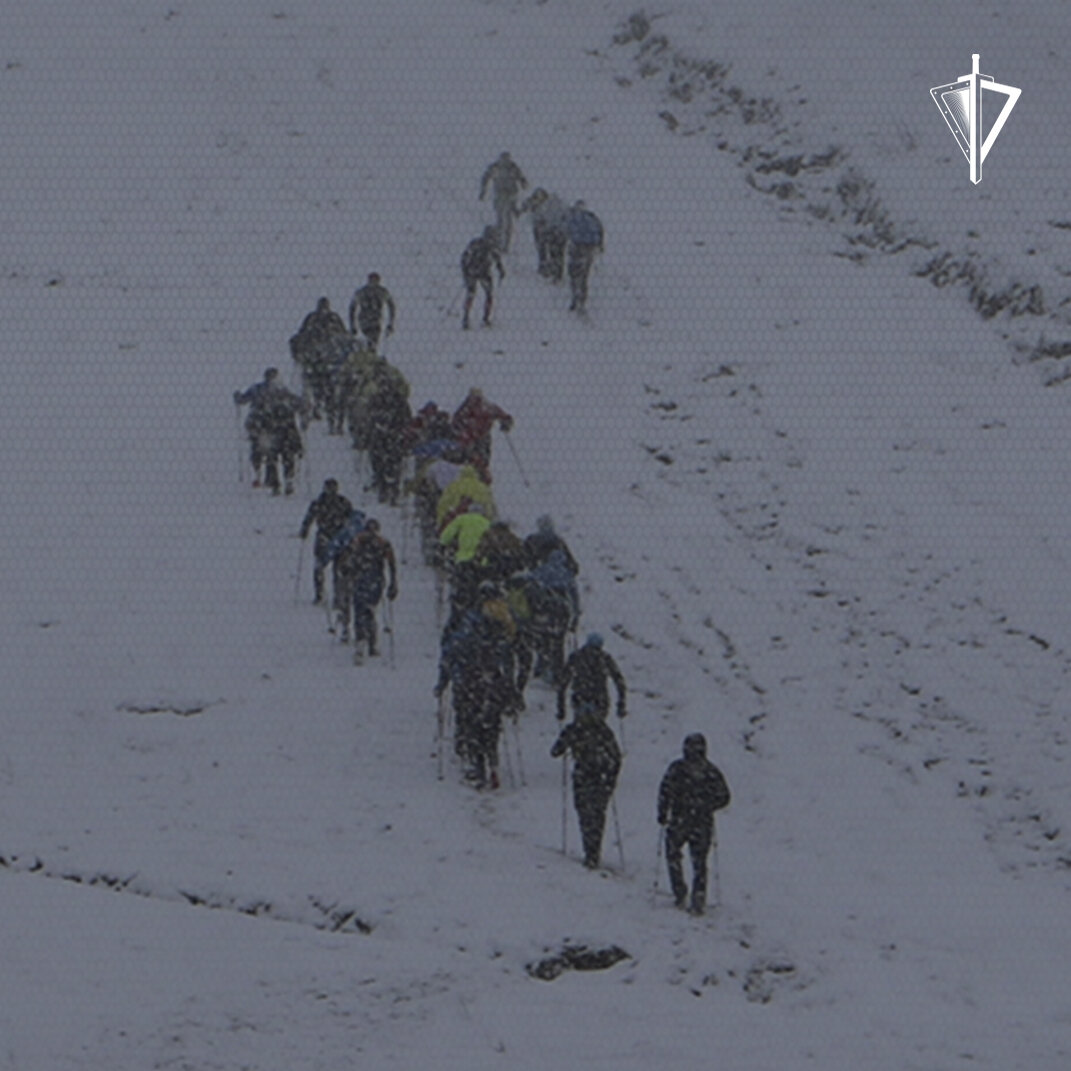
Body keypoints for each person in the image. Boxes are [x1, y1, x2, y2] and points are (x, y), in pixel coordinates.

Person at [657, 734, 731, 915]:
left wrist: (663, 812)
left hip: (681, 819)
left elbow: (664, 791)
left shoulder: (677, 768)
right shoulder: (710, 771)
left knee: (674, 855)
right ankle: (697, 897)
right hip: (700, 821)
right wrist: (707, 805)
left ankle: (681, 891)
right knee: (698, 862)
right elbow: (724, 797)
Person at [551, 713, 622, 869]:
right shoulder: (604, 730)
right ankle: (594, 850)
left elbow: (556, 751)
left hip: (583, 776)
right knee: (597, 814)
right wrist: (611, 779)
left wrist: (566, 742)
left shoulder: (575, 729)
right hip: (601, 778)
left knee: (585, 813)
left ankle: (590, 850)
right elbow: (616, 756)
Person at [233, 367, 306, 495]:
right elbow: (298, 404)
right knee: (287, 456)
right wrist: (304, 406)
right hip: (284, 429)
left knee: (270, 456)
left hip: (266, 429)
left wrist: (238, 397)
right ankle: (287, 480)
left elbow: (243, 400)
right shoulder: (283, 392)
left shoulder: (258, 390)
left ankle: (274, 483)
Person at [334, 518, 397, 661]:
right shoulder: (382, 543)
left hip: (360, 580)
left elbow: (345, 559)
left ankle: (362, 642)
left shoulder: (357, 541)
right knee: (369, 610)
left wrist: (345, 570)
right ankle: (371, 642)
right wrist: (393, 584)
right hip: (375, 581)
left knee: (360, 610)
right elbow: (392, 564)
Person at [299, 478, 355, 604]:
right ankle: (323, 594)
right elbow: (309, 517)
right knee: (324, 567)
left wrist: (304, 529)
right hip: (328, 536)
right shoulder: (325, 503)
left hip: (336, 537)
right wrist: (305, 528)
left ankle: (334, 595)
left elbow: (351, 519)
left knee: (333, 567)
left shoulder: (340, 502)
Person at [557, 633, 626, 723]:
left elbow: (563, 682)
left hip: (580, 698)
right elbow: (619, 681)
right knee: (598, 728)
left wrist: (561, 707)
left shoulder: (576, 657)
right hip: (599, 700)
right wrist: (621, 703)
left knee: (580, 727)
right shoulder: (605, 658)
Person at [450, 387, 512, 472]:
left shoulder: (466, 408)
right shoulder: (488, 407)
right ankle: (479, 475)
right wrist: (506, 423)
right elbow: (504, 416)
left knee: (471, 460)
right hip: (478, 438)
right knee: (480, 461)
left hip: (472, 439)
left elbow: (455, 422)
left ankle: (472, 475)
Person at [478, 151, 528, 252]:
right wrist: (483, 191)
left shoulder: (513, 167)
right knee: (501, 221)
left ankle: (506, 245)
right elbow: (486, 178)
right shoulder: (495, 167)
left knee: (508, 222)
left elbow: (521, 177)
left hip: (511, 196)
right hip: (500, 196)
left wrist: (524, 184)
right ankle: (499, 242)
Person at [518, 187, 570, 281]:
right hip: (551, 230)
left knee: (553, 251)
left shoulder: (552, 204)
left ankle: (554, 272)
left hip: (553, 230)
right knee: (550, 251)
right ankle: (551, 271)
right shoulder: (549, 203)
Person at [460, 227, 505, 330]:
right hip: (480, 271)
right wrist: (501, 271)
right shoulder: (488, 246)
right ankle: (483, 318)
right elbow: (497, 259)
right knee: (486, 294)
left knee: (472, 294)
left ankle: (468, 317)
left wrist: (465, 272)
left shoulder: (475, 244)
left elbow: (464, 258)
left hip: (474, 271)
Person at [565, 200, 605, 312]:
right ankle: (582, 300)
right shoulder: (592, 217)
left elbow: (567, 230)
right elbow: (600, 230)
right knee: (584, 275)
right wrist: (600, 246)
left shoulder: (572, 216)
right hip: (590, 248)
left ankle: (575, 298)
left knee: (573, 273)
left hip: (576, 247)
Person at [348, 272, 396, 353]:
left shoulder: (381, 291)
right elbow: (352, 308)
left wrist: (391, 323)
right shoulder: (364, 292)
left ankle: (369, 353)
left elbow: (392, 306)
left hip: (374, 321)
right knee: (370, 341)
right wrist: (352, 325)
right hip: (366, 321)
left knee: (372, 341)